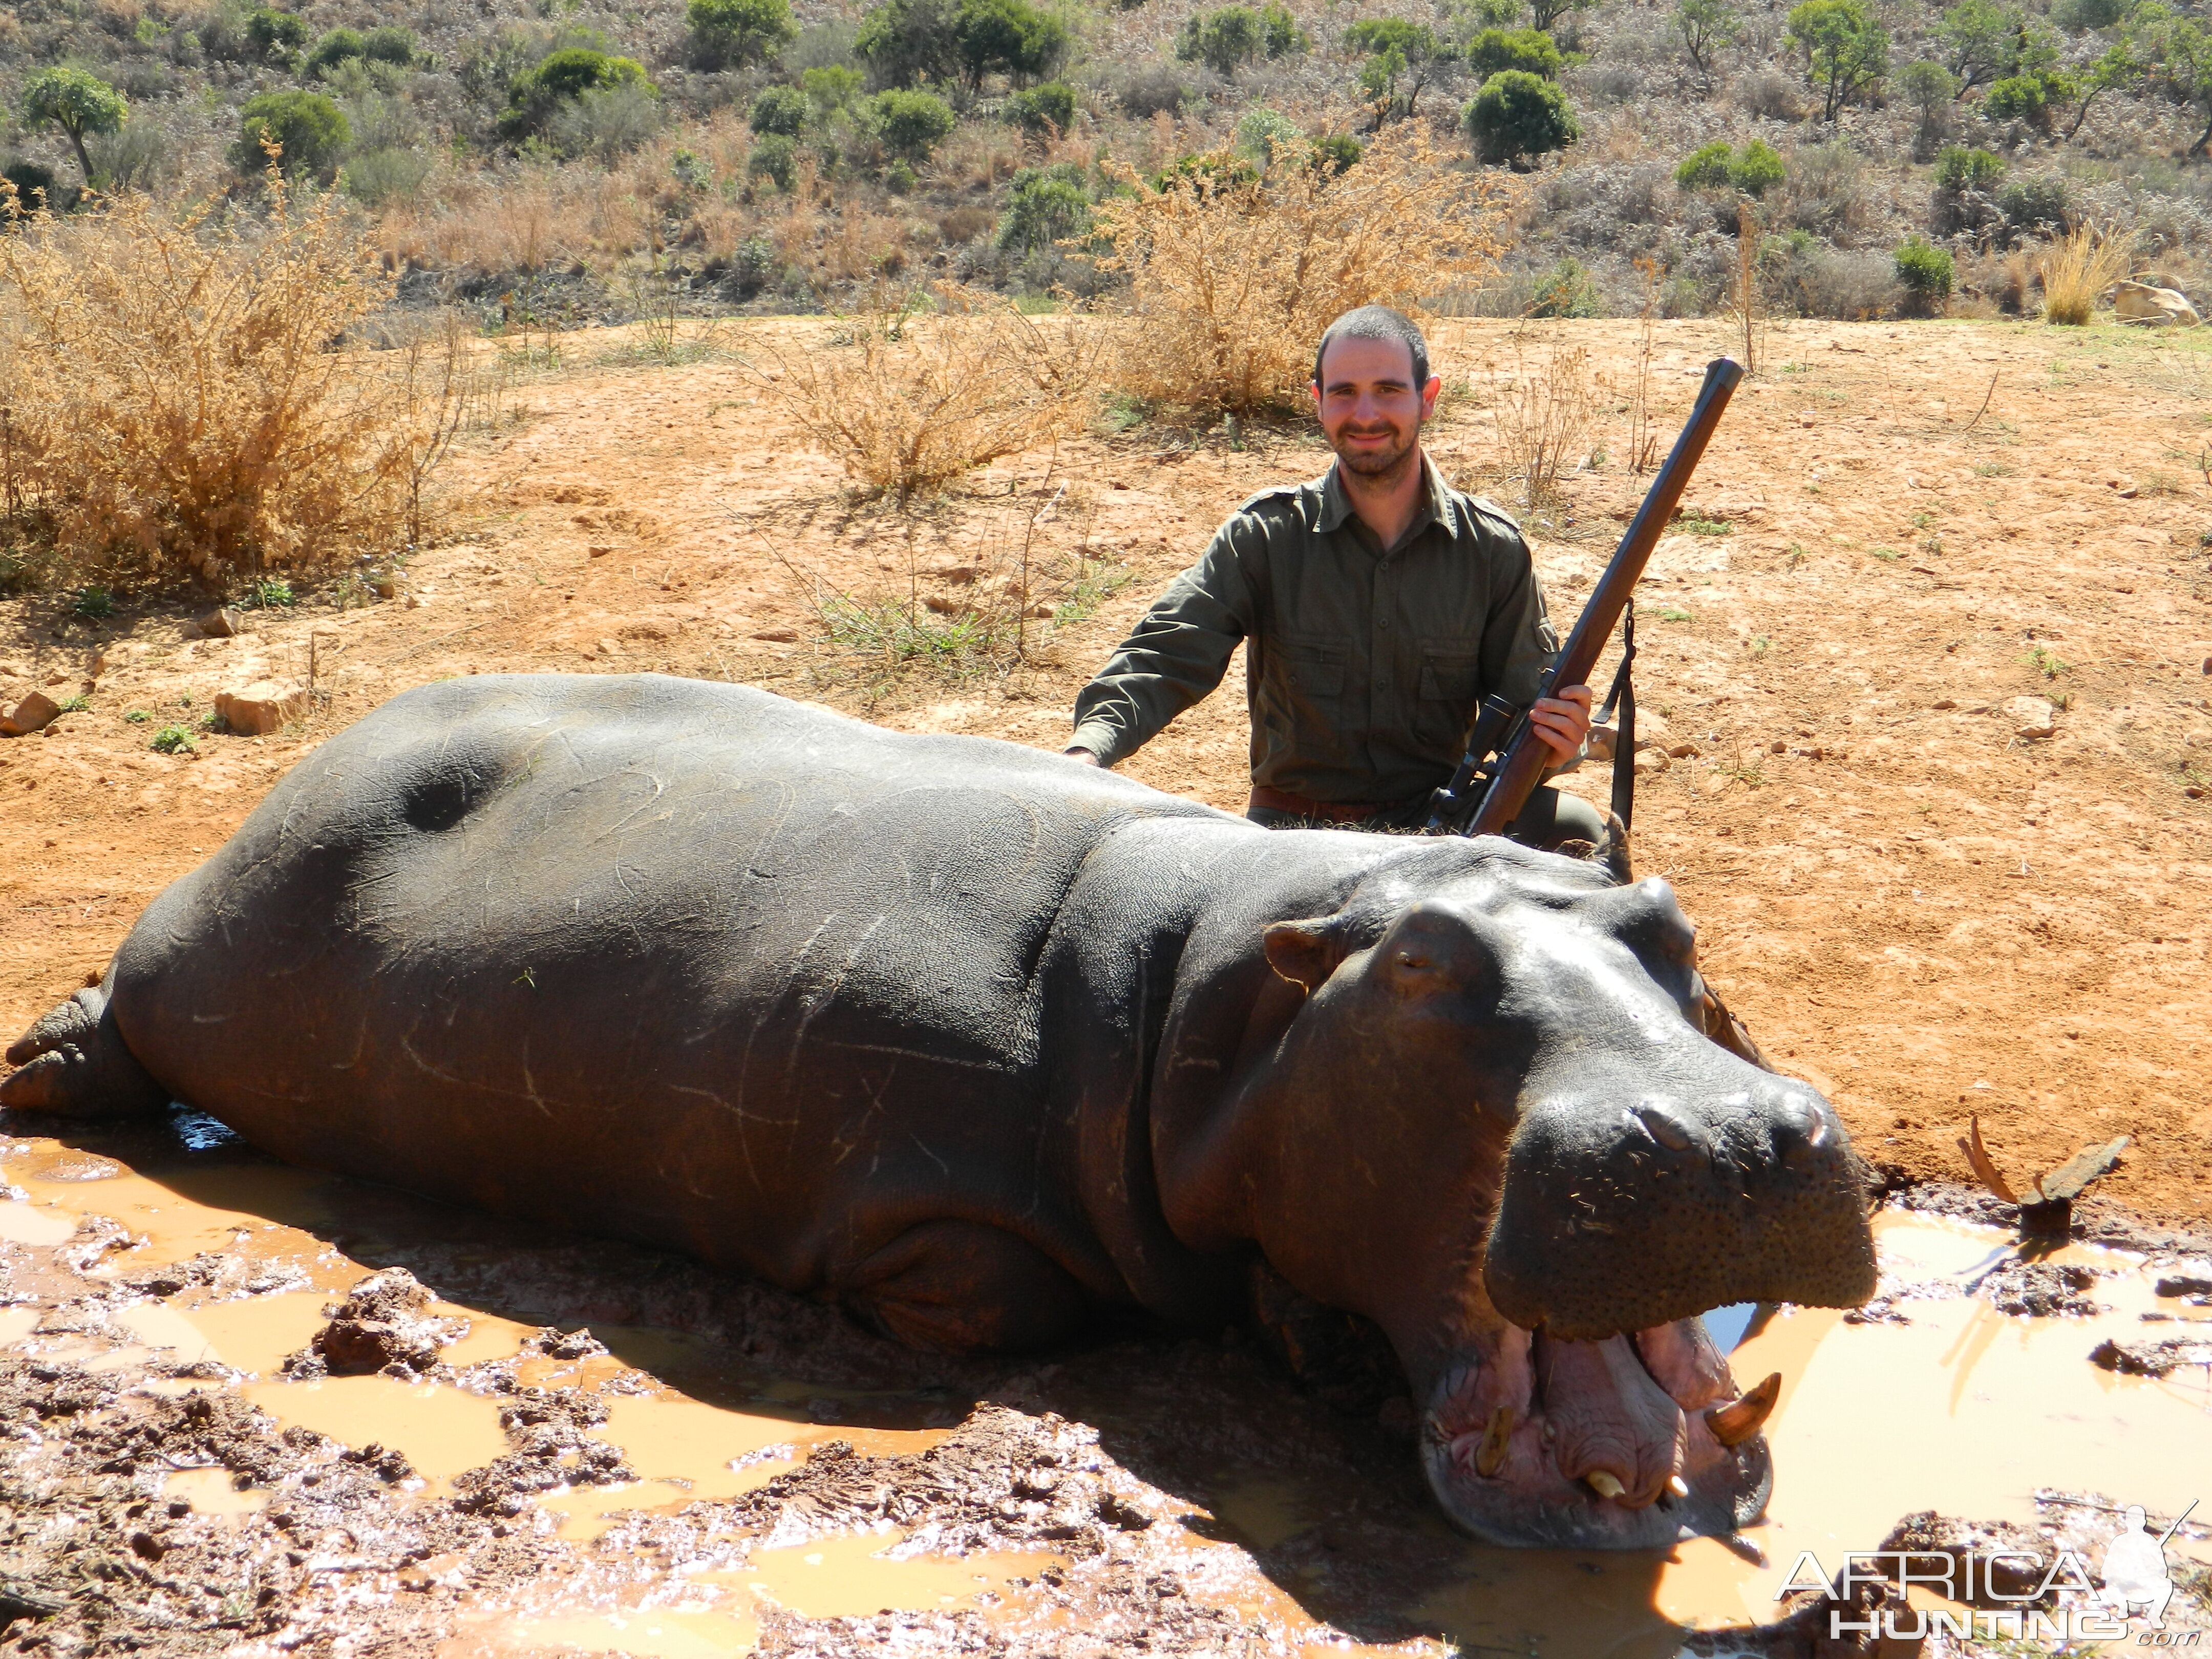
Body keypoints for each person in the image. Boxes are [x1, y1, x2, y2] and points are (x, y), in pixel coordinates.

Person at [1063, 304, 1607, 851]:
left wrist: (1557, 745)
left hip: (1441, 827)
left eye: (1389, 390)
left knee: (1577, 831)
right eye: (1344, 392)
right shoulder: (1265, 536)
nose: (1365, 413)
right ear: (1318, 402)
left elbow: (1526, 716)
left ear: (1429, 397)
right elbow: (1166, 655)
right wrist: (1088, 753)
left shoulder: (1491, 550)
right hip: (1294, 834)